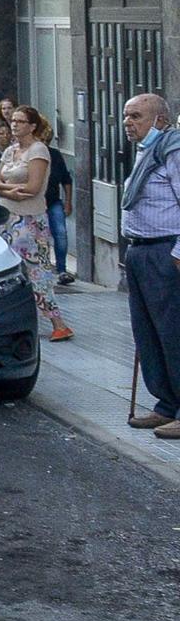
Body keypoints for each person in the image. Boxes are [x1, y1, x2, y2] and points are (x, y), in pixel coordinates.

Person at [118, 93, 180, 440]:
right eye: (126, 116)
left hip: (164, 252)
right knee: (148, 333)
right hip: (140, 251)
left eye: (136, 116)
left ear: (159, 120)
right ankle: (166, 404)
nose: (129, 123)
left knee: (174, 333)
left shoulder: (174, 151)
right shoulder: (147, 152)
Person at [0, 105, 71, 341]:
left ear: (32, 126)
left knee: (36, 271)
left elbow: (32, 188)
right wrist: (8, 190)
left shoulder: (38, 150)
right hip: (6, 216)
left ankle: (58, 322)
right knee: (7, 271)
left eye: (21, 121)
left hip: (30, 219)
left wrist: (4, 188)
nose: (15, 124)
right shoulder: (10, 151)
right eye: (13, 120)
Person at [42, 129, 74, 286]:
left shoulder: (54, 155)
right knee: (40, 237)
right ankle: (44, 268)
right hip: (35, 203)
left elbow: (66, 180)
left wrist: (68, 202)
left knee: (60, 234)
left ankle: (62, 269)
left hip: (53, 201)